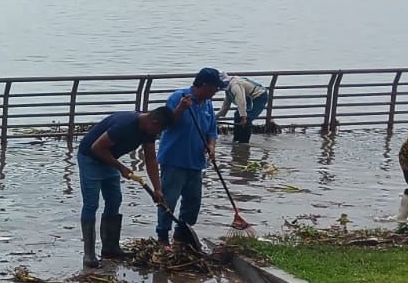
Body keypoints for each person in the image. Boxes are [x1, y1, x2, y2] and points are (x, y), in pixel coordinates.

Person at [76, 106, 177, 267]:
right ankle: (89, 255)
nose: (159, 134)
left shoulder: (148, 131)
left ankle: (110, 248)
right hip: (90, 158)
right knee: (91, 203)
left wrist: (158, 189)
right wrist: (120, 167)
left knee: (114, 201)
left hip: (110, 160)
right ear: (154, 122)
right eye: (160, 130)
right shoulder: (125, 125)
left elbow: (151, 159)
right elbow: (97, 147)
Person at [155, 68, 223, 245]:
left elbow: (211, 130)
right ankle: (163, 235)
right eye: (215, 87)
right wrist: (180, 109)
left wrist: (211, 146)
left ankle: (182, 233)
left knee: (193, 202)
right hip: (174, 159)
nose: (217, 91)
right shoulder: (179, 97)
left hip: (196, 161)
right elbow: (166, 124)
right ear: (205, 85)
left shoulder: (207, 104)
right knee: (168, 199)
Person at [216, 74, 271, 143]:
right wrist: (217, 116)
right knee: (237, 115)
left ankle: (244, 141)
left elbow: (241, 101)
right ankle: (236, 139)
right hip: (248, 98)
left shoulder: (235, 85)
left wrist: (244, 117)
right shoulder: (228, 89)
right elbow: (226, 105)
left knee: (247, 119)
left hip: (259, 96)